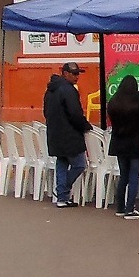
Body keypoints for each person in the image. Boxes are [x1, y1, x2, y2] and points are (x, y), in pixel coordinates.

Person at [43, 61, 92, 208]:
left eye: (78, 73)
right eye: (74, 74)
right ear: (65, 73)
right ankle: (62, 190)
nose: (77, 76)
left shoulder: (50, 90)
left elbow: (45, 112)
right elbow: (75, 114)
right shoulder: (68, 90)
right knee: (79, 164)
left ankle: (62, 198)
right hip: (69, 135)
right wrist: (85, 126)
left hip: (54, 133)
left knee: (62, 163)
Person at [105, 75, 139, 219]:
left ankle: (120, 207)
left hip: (119, 142)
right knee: (134, 176)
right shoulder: (138, 104)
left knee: (123, 174)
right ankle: (130, 208)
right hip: (136, 142)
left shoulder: (113, 103)